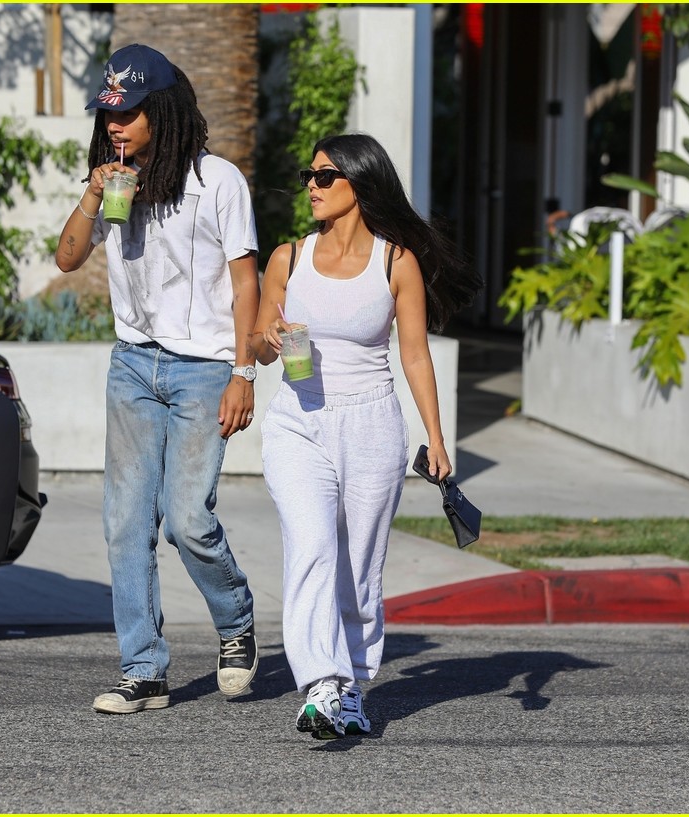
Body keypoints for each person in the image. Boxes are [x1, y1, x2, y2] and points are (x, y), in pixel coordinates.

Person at [249, 133, 479, 738]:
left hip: (373, 423)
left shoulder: (394, 260)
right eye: (308, 176)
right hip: (298, 423)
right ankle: (321, 685)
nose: (312, 187)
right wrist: (267, 341)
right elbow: (253, 341)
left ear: (360, 184)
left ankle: (351, 687)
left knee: (359, 567)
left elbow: (416, 356)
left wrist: (437, 438)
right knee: (312, 547)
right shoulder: (287, 258)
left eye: (325, 177)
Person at [55, 43, 260, 715]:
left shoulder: (217, 182)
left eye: (131, 113)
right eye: (109, 114)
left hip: (203, 369)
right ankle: (144, 670)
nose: (117, 125)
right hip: (133, 363)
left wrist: (241, 373)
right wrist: (93, 194)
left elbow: (243, 281)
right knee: (125, 522)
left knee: (188, 519)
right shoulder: (114, 178)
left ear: (162, 112)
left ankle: (235, 619)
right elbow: (67, 256)